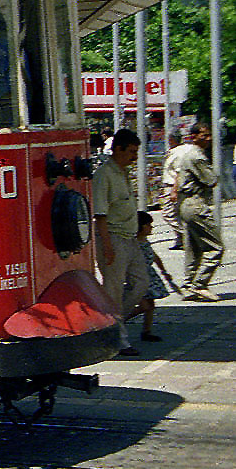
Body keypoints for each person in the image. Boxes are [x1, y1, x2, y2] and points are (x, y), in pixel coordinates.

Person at [91, 128, 146, 354]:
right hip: (112, 238)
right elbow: (100, 214)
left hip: (129, 238)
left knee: (141, 283)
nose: (135, 156)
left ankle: (105, 321)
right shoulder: (105, 175)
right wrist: (107, 246)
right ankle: (117, 340)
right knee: (113, 290)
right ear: (118, 149)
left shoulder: (123, 172)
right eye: (131, 151)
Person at [168, 123, 223, 301]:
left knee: (194, 248)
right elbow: (211, 179)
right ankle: (200, 284)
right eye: (204, 135)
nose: (208, 139)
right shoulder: (196, 156)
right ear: (194, 136)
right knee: (216, 247)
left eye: (209, 135)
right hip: (195, 204)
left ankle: (189, 283)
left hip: (186, 204)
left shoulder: (188, 154)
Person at [132, 211, 173, 342]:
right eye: (148, 224)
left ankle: (147, 331)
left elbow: (155, 257)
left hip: (149, 276)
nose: (151, 227)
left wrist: (164, 271)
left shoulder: (145, 241)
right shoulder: (133, 243)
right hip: (138, 276)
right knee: (144, 306)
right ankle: (118, 321)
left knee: (150, 305)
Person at [160, 132, 185, 249]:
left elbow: (179, 173)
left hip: (172, 186)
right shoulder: (172, 152)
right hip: (168, 185)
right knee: (176, 214)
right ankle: (180, 240)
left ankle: (186, 235)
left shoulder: (179, 153)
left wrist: (174, 190)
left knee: (168, 214)